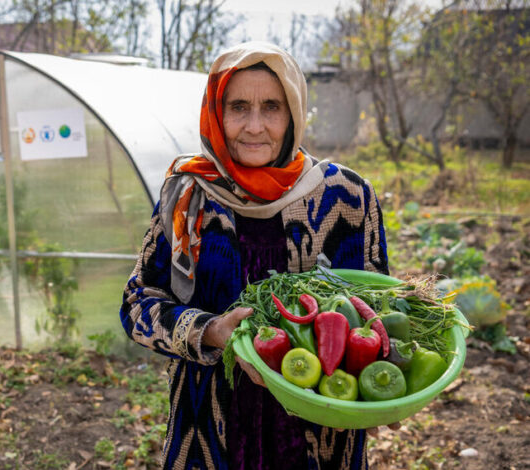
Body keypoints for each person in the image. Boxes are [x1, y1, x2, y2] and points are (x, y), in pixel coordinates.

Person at [119, 41, 391, 469]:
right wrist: (208, 331)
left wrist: (378, 397)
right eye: (238, 107)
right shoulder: (189, 195)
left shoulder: (346, 196)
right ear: (217, 112)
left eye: (271, 107)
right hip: (211, 421)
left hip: (321, 424)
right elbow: (137, 304)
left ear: (294, 112)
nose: (254, 126)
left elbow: (377, 312)